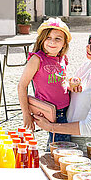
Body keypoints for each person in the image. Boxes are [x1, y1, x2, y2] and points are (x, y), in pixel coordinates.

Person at [18, 17, 72, 147]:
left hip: (67, 110)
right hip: (50, 112)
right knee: (60, 147)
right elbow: (22, 85)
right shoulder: (37, 59)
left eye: (58, 38)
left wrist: (72, 84)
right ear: (42, 40)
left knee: (60, 144)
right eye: (48, 38)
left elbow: (61, 81)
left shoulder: (62, 58)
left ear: (64, 43)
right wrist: (26, 113)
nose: (52, 42)